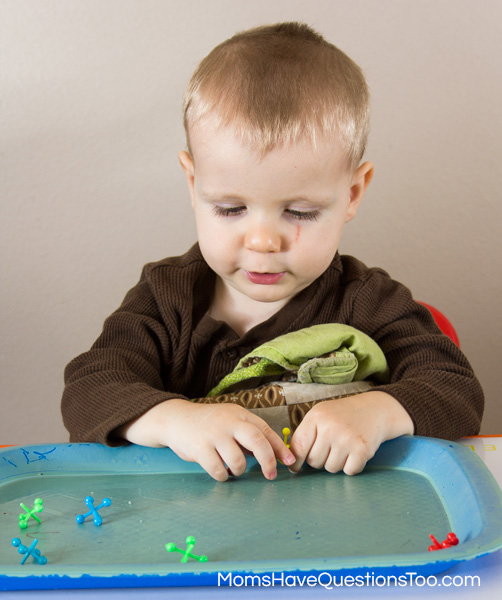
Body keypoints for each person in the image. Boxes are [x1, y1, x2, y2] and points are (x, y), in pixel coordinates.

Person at [61, 22, 484, 482]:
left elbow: (456, 389)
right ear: (193, 183)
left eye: (300, 212)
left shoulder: (369, 301)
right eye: (230, 208)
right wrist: (173, 419)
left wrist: (379, 411)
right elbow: (88, 390)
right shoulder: (166, 298)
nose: (263, 241)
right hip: (193, 535)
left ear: (353, 193)